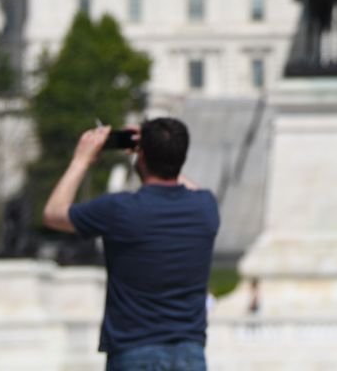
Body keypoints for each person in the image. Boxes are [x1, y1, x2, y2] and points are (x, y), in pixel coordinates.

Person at [44, 117, 220, 371]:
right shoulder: (205, 207)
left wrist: (81, 160)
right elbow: (181, 180)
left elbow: (54, 213)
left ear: (143, 157)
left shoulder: (120, 209)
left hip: (134, 351)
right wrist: (162, 150)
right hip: (189, 353)